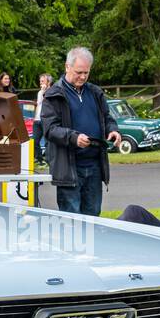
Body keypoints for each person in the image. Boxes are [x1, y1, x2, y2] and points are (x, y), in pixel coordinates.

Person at [40, 47, 121, 215]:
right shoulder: (53, 95)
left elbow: (107, 118)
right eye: (79, 72)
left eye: (86, 72)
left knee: (93, 218)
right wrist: (73, 138)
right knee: (72, 223)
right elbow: (50, 129)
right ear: (67, 67)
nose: (83, 77)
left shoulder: (95, 92)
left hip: (94, 167)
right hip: (69, 168)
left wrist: (113, 130)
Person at [33, 73, 53, 161]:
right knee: (35, 141)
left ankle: (49, 160)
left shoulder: (52, 91)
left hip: (46, 120)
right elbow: (39, 103)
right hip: (37, 120)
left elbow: (47, 102)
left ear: (48, 82)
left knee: (47, 142)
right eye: (40, 81)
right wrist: (42, 92)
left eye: (43, 81)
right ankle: (39, 159)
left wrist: (44, 92)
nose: (40, 83)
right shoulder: (39, 92)